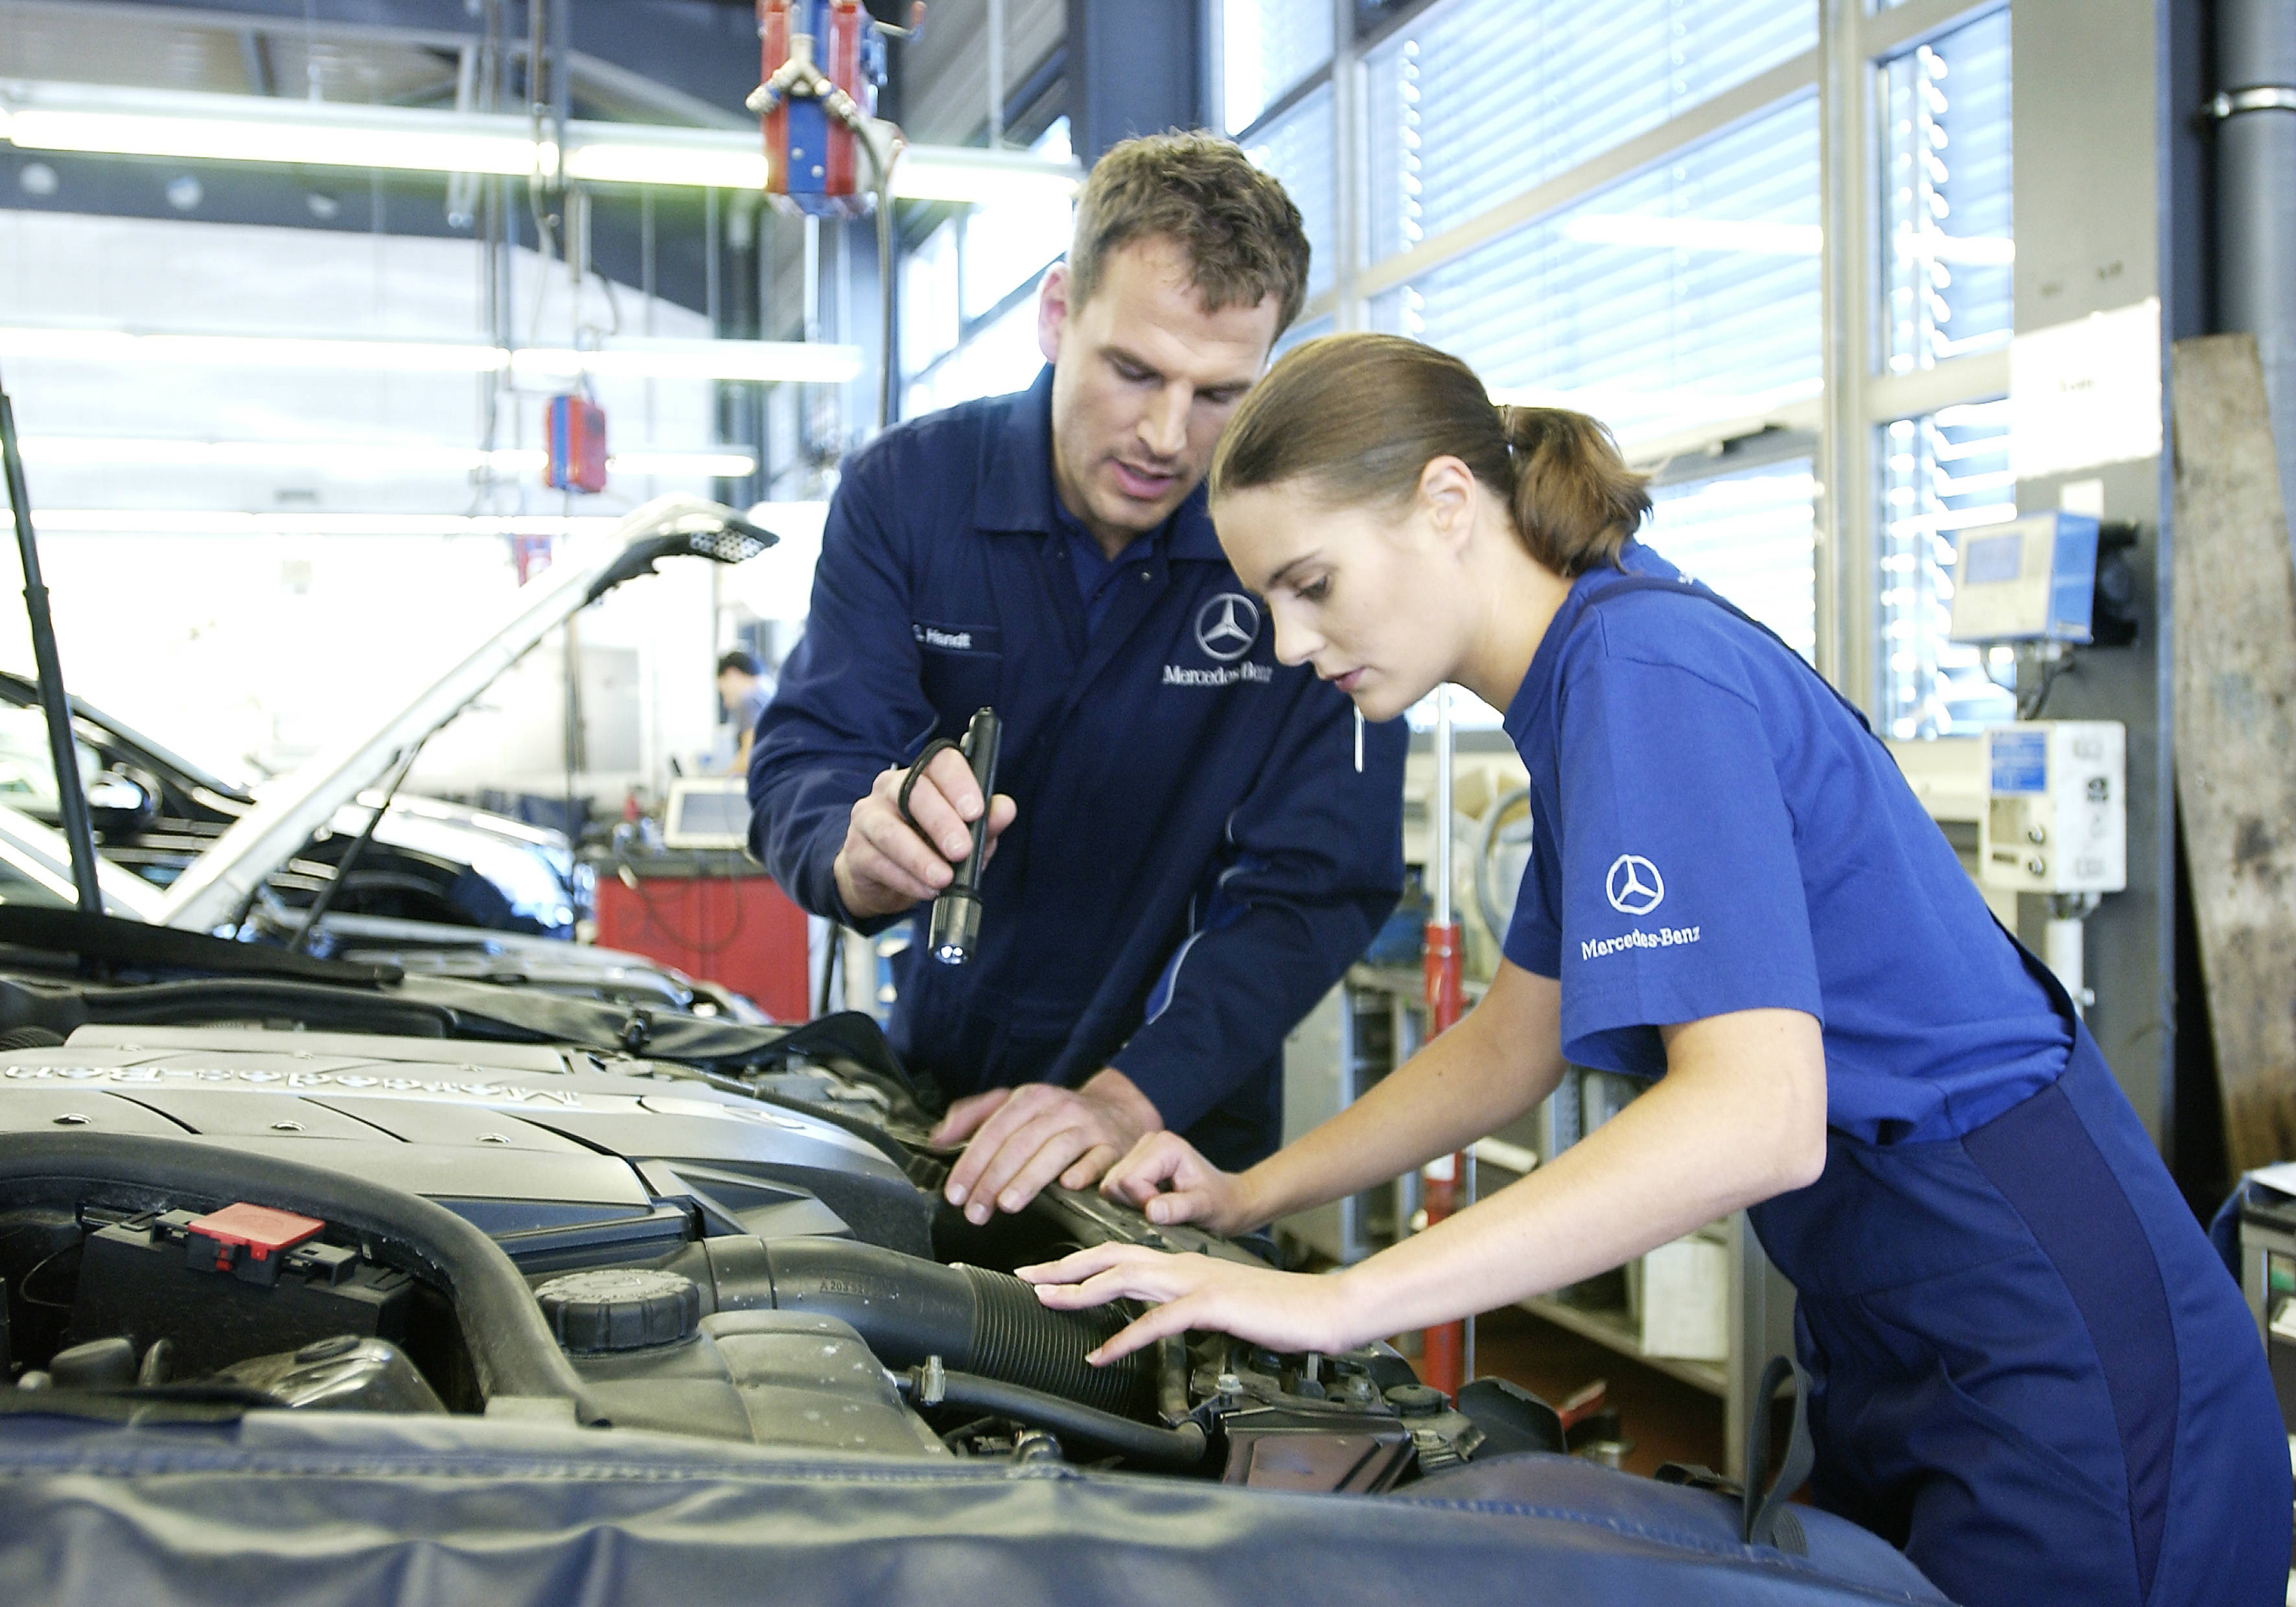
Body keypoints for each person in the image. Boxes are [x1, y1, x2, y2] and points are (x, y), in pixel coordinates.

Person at [1020, 333, 2290, 1607]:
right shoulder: (1590, 668)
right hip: (1902, 1320)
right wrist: (1246, 1199)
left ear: (1445, 502)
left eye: (1312, 584)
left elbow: (1754, 1119)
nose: (1291, 644)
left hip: (2046, 1325)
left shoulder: (1637, 669)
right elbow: (1513, 1044)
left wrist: (1345, 1300)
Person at [748, 135, 1406, 1223]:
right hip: (944, 1089)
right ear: (1057, 314)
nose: (1164, 436)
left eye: (1217, 395)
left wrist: (1125, 1099)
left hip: (1177, 1128)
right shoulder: (908, 494)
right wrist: (856, 853)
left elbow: (1316, 882)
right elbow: (810, 758)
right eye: (1134, 371)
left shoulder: (1295, 553)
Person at [717, 650, 773, 776]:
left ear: (732, 675)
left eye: (723, 693)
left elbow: (748, 758)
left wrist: (717, 782)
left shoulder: (747, 700)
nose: (726, 703)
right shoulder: (767, 690)